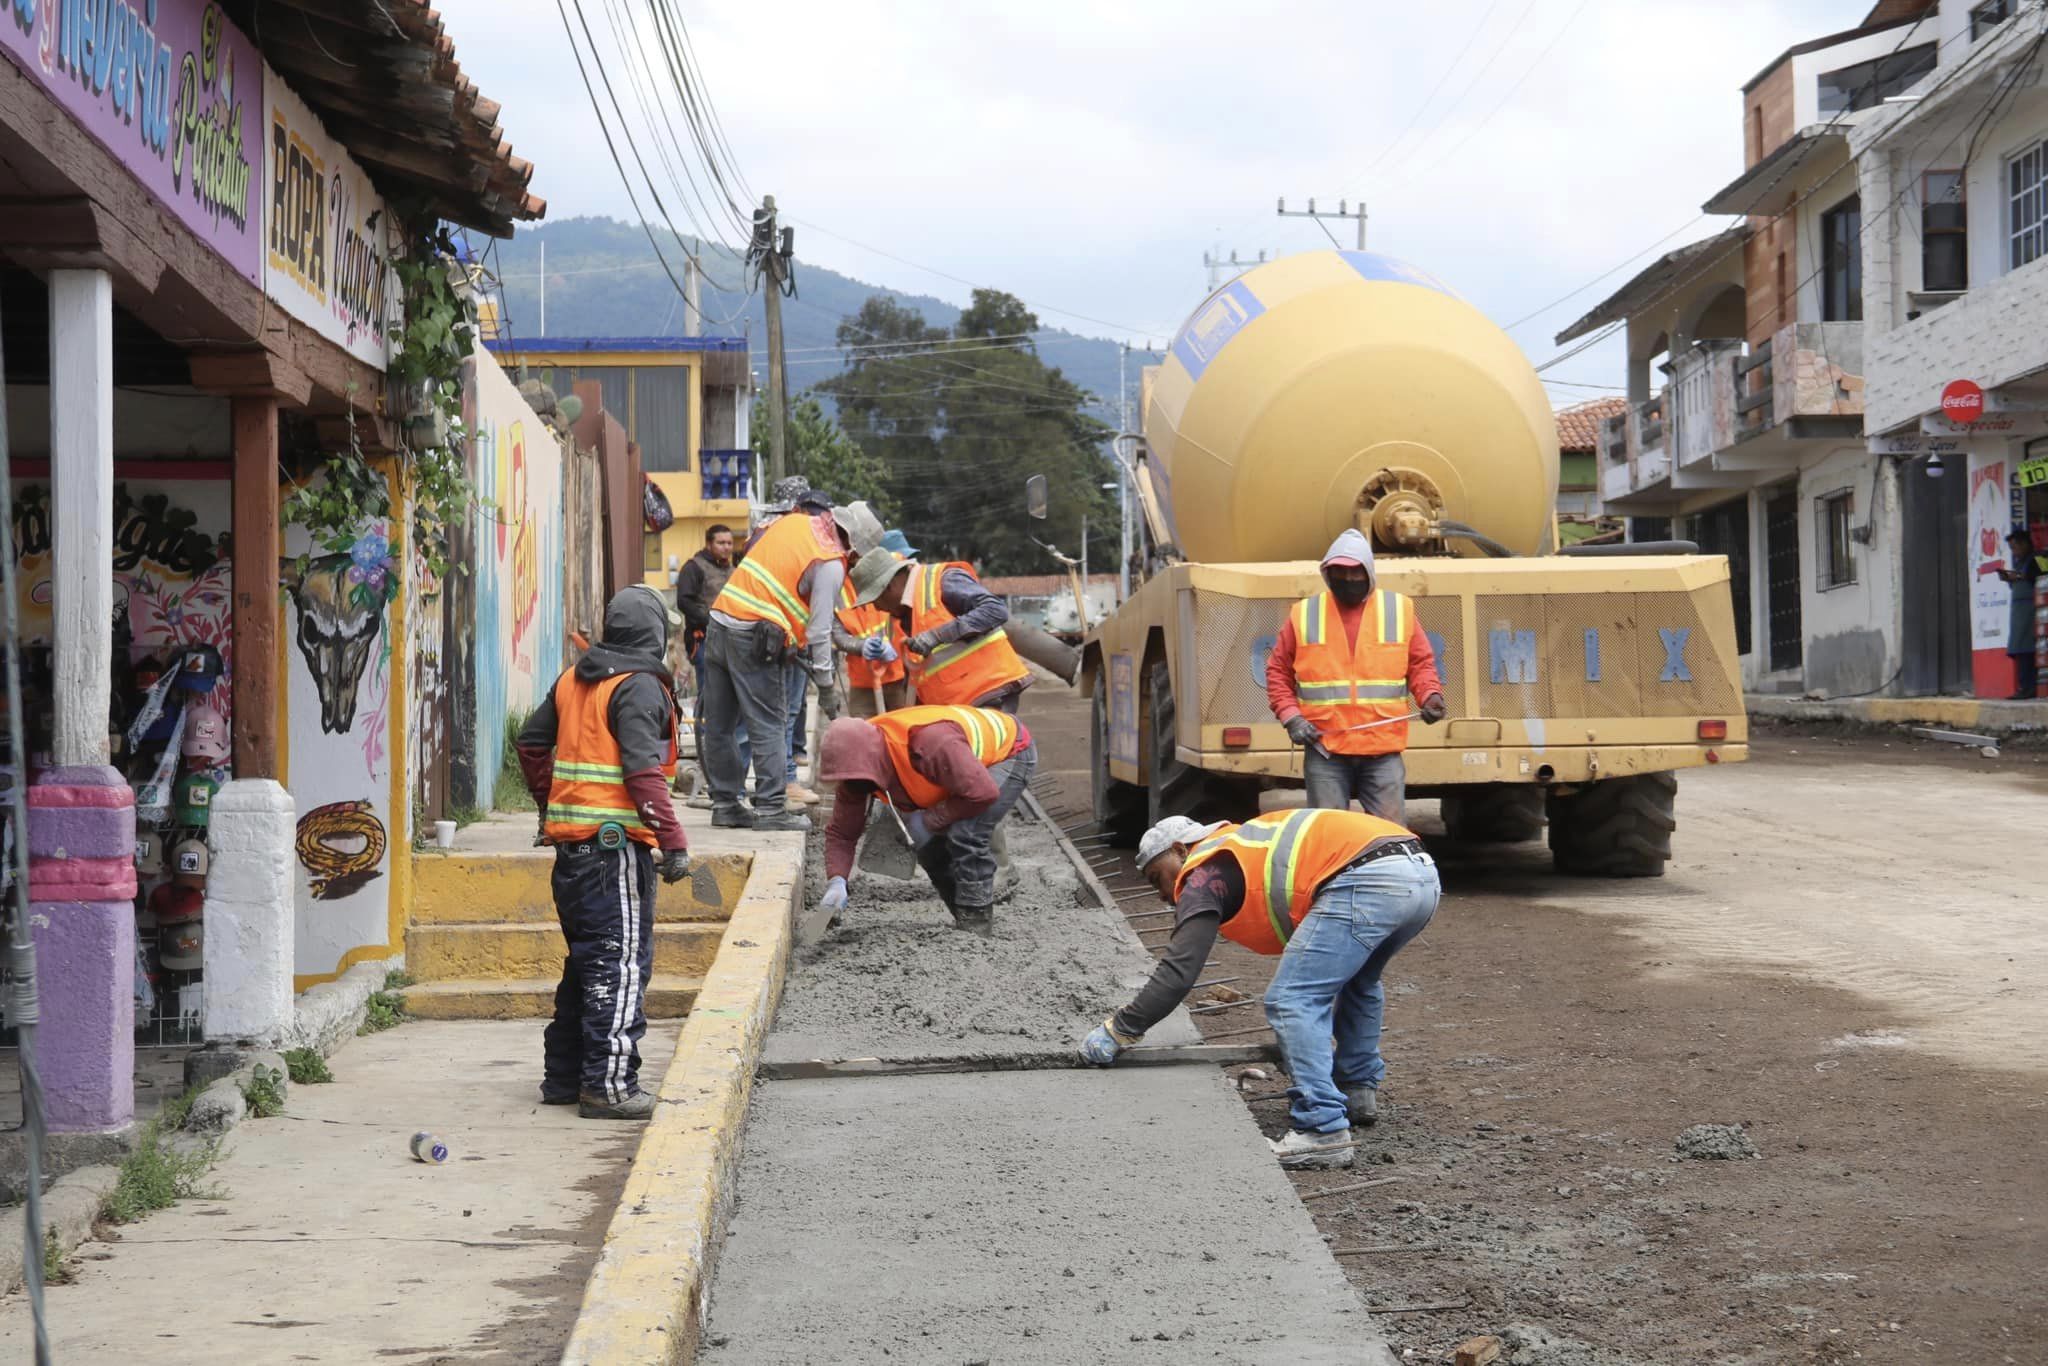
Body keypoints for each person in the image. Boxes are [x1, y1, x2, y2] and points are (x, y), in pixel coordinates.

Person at [1080, 808, 1439, 1169]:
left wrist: (1120, 1030)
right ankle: (1355, 1091)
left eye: (1157, 877)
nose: (1162, 894)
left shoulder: (1204, 872)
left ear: (1180, 850)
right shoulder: (1240, 845)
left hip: (1367, 880)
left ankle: (1321, 1130)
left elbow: (1179, 972)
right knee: (1360, 981)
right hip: (1420, 875)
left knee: (1292, 999)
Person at [516, 586, 694, 1121]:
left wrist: (553, 805)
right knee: (617, 966)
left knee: (587, 964)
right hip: (613, 854)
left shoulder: (574, 678)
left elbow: (530, 743)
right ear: (656, 634)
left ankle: (565, 1077)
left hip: (574, 852)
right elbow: (642, 771)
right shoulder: (640, 686)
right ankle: (610, 1086)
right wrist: (673, 839)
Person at [701, 497, 882, 831]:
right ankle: (771, 809)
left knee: (721, 725)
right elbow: (820, 631)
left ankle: (725, 804)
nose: (854, 563)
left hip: (720, 621)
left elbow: (778, 581)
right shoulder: (830, 562)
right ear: (854, 545)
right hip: (754, 636)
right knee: (769, 723)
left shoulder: (794, 523)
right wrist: (826, 688)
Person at [1267, 530, 1446, 822]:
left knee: (1388, 838)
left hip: (1381, 750)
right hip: (1325, 749)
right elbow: (1277, 671)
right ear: (1328, 572)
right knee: (1331, 838)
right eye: (1340, 572)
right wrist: (1292, 717)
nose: (1348, 579)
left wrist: (1430, 695)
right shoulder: (1304, 614)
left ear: (1368, 572)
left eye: (1355, 572)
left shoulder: (1398, 609)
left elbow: (1420, 663)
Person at [815, 703, 1037, 934]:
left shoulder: (929, 743)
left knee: (966, 832)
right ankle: (962, 915)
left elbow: (983, 794)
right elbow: (842, 833)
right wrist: (837, 880)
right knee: (926, 845)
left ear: (874, 762)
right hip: (956, 769)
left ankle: (977, 924)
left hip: (1009, 750)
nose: (856, 787)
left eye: (859, 779)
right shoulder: (854, 764)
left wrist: (931, 820)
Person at [855, 547, 1030, 713]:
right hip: (957, 704)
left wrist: (937, 636)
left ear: (889, 586)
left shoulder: (942, 581)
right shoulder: (902, 615)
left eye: (875, 600)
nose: (876, 608)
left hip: (989, 689)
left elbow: (994, 610)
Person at [1997, 529, 2046, 699]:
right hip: (2018, 614)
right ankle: (2023, 687)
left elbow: (2042, 578)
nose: (2014, 552)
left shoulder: (2038, 559)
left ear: (2025, 544)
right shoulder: (2019, 564)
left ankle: (2030, 688)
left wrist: (2019, 576)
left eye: (2015, 547)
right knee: (2019, 649)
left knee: (2028, 649)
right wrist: (2011, 578)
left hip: (2031, 612)